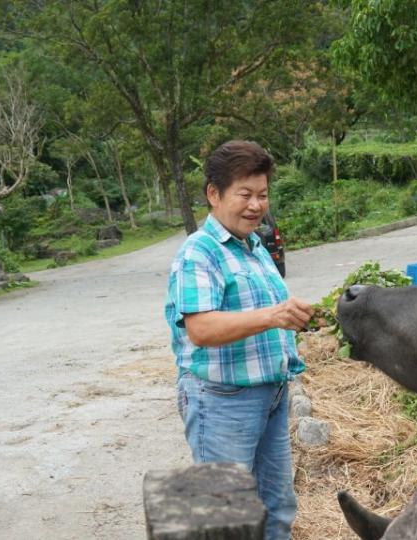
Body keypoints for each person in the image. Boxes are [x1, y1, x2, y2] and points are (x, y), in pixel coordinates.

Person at [164, 140, 314, 540]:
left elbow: (266, 314)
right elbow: (202, 328)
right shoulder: (199, 253)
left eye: (262, 195)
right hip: (222, 402)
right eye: (244, 194)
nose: (256, 205)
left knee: (277, 507)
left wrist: (294, 318)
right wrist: (273, 316)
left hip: (271, 396)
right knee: (228, 518)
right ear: (214, 194)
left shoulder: (255, 247)